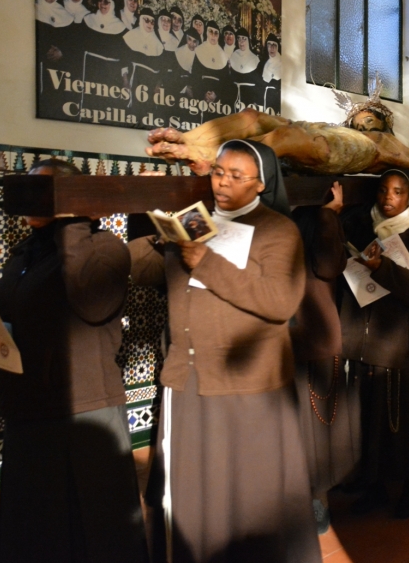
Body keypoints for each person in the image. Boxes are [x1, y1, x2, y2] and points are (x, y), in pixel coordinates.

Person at [130, 139, 320, 562]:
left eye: (237, 176)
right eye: (218, 172)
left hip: (247, 387)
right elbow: (139, 272)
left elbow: (280, 300)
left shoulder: (277, 230)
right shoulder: (196, 223)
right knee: (193, 492)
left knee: (245, 494)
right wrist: (151, 225)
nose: (223, 183)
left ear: (260, 184)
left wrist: (208, 263)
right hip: (189, 378)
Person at [0, 158, 147, 562]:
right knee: (37, 526)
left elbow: (90, 301)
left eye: (44, 191)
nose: (31, 200)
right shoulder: (24, 254)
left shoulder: (104, 249)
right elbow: (18, 316)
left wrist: (73, 221)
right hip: (29, 406)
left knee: (96, 530)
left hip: (84, 409)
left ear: (70, 197)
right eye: (28, 189)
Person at [339, 168, 409, 519]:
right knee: (369, 422)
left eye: (398, 192)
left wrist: (385, 269)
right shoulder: (361, 227)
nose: (389, 198)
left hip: (404, 345)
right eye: (384, 190)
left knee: (404, 424)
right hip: (364, 339)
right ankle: (375, 487)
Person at [141, 90, 409, 182]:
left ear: (384, 129)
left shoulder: (396, 150)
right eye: (359, 123)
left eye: (370, 125)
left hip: (325, 151)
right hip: (313, 132)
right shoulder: (338, 126)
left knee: (284, 135)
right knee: (253, 116)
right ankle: (188, 139)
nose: (364, 127)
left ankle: (220, 164)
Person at [290, 182, 360, 535]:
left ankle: (312, 501)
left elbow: (327, 265)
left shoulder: (296, 220)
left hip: (298, 337)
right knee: (312, 426)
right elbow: (331, 265)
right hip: (305, 337)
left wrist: (327, 216)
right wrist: (331, 215)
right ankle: (313, 502)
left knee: (306, 424)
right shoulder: (314, 219)